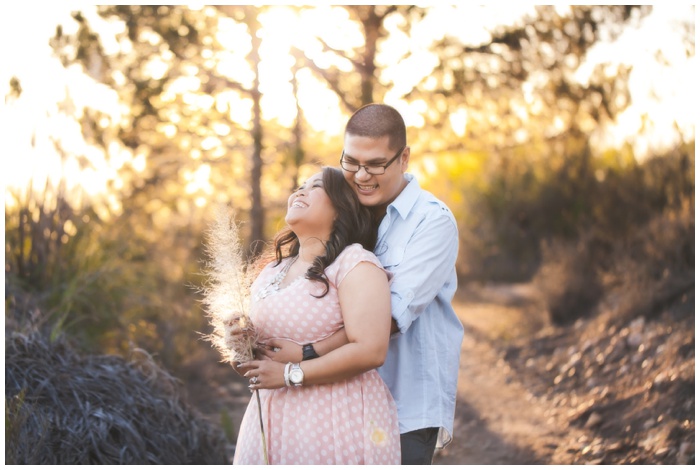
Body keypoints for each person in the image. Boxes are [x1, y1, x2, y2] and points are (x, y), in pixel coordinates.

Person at [263, 104, 463, 465]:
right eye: (351, 161)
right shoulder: (345, 211)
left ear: (404, 158)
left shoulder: (432, 223)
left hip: (405, 401)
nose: (361, 175)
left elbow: (386, 321)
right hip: (338, 398)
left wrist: (306, 353)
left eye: (375, 164)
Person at [232, 166, 401, 465]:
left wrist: (288, 375)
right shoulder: (271, 270)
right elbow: (253, 365)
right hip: (273, 415)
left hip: (335, 415)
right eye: (300, 186)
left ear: (341, 208)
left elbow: (371, 350)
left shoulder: (354, 263)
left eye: (315, 187)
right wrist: (241, 347)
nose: (300, 191)